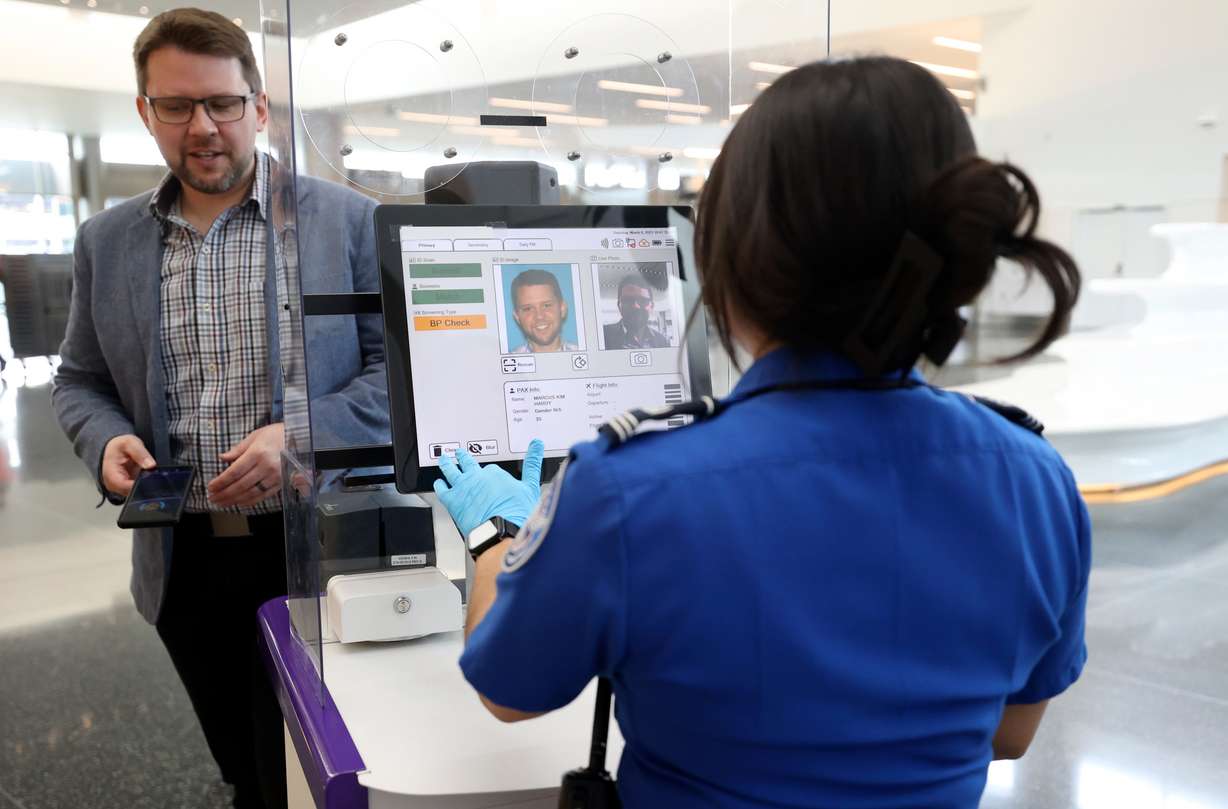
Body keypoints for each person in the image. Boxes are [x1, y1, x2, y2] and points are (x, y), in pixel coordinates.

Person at [432, 56, 1089, 808]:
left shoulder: (628, 488)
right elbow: (1009, 734)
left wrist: (493, 536)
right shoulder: (1036, 480)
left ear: (739, 259)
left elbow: (507, 691)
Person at [51, 9, 386, 809]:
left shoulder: (343, 220)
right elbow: (78, 381)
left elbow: (396, 377)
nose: (202, 126)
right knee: (246, 765)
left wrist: (297, 435)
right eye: (176, 105)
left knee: (336, 767)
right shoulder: (109, 241)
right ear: (147, 112)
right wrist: (105, 444)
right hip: (185, 560)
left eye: (223, 104)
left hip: (319, 546)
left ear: (259, 107)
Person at [507, 268, 579, 353]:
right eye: (528, 309)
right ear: (517, 317)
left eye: (546, 305)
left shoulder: (586, 354)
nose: (539, 316)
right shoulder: (504, 362)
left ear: (562, 308)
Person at [602, 274, 670, 349]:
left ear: (652, 306)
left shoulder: (663, 341)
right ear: (619, 306)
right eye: (628, 300)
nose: (636, 306)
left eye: (643, 301)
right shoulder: (603, 335)